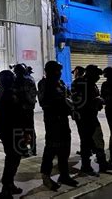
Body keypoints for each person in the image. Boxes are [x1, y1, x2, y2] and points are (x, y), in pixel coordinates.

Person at [71, 64, 112, 175]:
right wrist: (96, 101)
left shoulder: (89, 83)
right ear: (91, 73)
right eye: (97, 75)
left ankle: (98, 164)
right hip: (85, 117)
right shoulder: (82, 83)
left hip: (90, 116)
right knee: (89, 141)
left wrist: (98, 102)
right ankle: (90, 165)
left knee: (94, 141)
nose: (98, 77)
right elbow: (80, 102)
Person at [37, 61, 77, 190]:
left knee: (65, 147)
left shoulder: (61, 83)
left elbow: (68, 97)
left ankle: (64, 175)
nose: (59, 73)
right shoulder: (44, 84)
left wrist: (70, 107)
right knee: (51, 148)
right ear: (49, 72)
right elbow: (44, 102)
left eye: (59, 71)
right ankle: (46, 176)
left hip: (63, 120)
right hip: (52, 120)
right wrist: (62, 102)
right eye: (56, 71)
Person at [0, 70, 25, 198]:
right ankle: (6, 187)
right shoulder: (9, 93)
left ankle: (9, 184)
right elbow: (18, 113)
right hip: (11, 129)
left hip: (4, 128)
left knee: (13, 156)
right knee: (13, 157)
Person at [12, 64, 37, 156]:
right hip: (28, 109)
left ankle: (24, 150)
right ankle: (33, 150)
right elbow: (34, 95)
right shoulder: (30, 80)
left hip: (19, 110)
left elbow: (13, 97)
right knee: (30, 129)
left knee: (21, 130)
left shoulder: (14, 82)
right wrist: (30, 104)